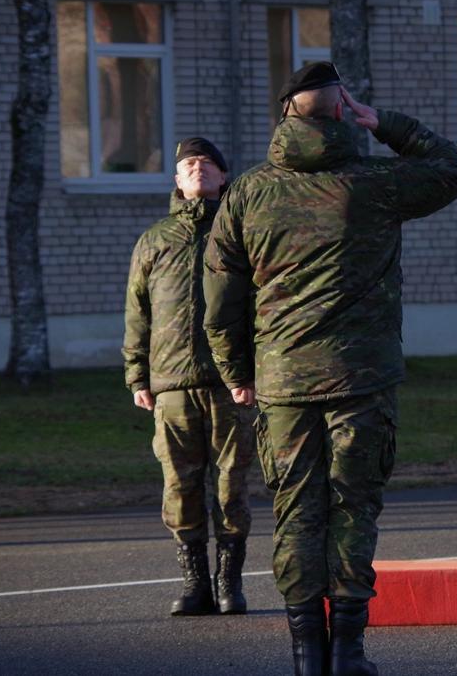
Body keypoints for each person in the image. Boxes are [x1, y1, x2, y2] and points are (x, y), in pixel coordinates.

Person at [203, 62, 457, 676]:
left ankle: (305, 653)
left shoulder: (246, 192)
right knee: (353, 507)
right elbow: (454, 170)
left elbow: (220, 296)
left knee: (298, 511)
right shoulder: (374, 182)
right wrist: (389, 124)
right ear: (343, 112)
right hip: (361, 379)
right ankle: (348, 651)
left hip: (282, 382)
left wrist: (236, 370)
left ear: (285, 114)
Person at [123, 137, 254, 617]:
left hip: (232, 385)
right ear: (177, 181)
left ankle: (229, 585)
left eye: (206, 163)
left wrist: (255, 371)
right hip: (172, 386)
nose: (197, 169)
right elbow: (138, 313)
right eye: (187, 165)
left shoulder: (241, 230)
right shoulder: (155, 240)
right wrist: (138, 376)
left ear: (223, 176)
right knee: (180, 486)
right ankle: (195, 583)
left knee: (230, 486)